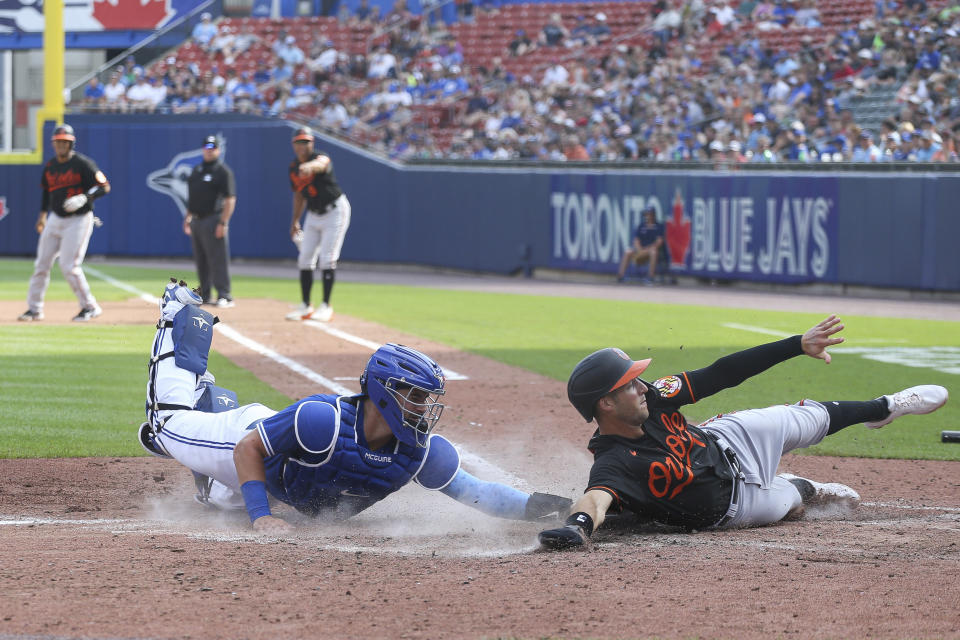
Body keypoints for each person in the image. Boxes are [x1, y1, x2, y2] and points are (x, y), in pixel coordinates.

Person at [139, 279, 573, 534]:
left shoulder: (418, 451)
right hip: (247, 441)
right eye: (416, 397)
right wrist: (262, 517)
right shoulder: (321, 420)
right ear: (384, 392)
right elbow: (248, 450)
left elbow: (477, 493)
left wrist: (554, 508)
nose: (425, 410)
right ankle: (177, 312)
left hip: (286, 475)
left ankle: (210, 446)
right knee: (165, 423)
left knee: (224, 503)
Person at [538, 316, 949, 549]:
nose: (642, 386)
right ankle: (799, 484)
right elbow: (595, 499)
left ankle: (885, 407)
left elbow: (723, 373)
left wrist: (796, 344)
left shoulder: (654, 398)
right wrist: (576, 527)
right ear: (605, 404)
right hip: (736, 505)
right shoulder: (613, 462)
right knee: (792, 498)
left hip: (730, 438)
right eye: (630, 384)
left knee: (801, 417)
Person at [19, 124, 111, 322]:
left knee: (69, 266)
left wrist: (86, 197)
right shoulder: (51, 166)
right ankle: (34, 309)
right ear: (54, 144)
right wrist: (42, 216)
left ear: (71, 143)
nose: (61, 145)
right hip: (55, 218)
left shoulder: (83, 164)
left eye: (65, 142)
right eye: (58, 142)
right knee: (41, 264)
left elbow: (104, 186)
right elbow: (46, 192)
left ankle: (90, 306)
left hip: (78, 219)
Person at [285, 127, 351, 322]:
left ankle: (326, 306)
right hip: (313, 214)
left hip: (335, 211)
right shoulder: (293, 167)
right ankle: (305, 306)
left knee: (327, 258)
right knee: (305, 258)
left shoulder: (320, 157)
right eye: (299, 142)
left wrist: (310, 167)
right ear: (294, 145)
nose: (303, 146)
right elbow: (298, 196)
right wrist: (295, 220)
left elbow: (322, 164)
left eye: (306, 142)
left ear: (312, 143)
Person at [184, 135, 236, 308]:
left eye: (213, 147)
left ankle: (225, 295)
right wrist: (188, 217)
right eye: (206, 146)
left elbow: (230, 199)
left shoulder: (222, 171)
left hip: (213, 219)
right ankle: (205, 294)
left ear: (218, 150)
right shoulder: (197, 170)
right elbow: (193, 197)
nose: (209, 150)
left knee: (217, 258)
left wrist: (224, 222)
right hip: (197, 220)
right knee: (201, 260)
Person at [616, 206, 664, 283]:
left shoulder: (658, 226)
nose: (648, 216)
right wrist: (640, 250)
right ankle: (620, 276)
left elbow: (659, 242)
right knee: (628, 251)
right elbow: (636, 241)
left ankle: (650, 277)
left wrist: (647, 250)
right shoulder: (641, 226)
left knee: (654, 252)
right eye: (646, 214)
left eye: (649, 214)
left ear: (653, 215)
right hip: (640, 252)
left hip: (650, 252)